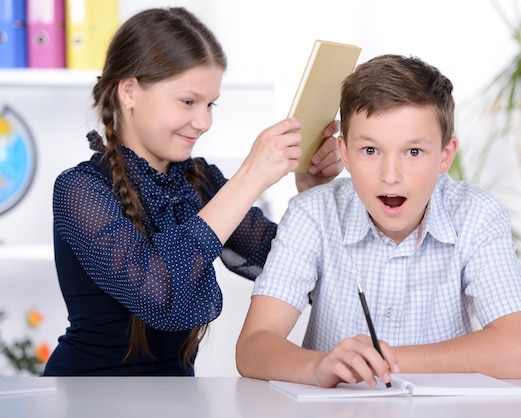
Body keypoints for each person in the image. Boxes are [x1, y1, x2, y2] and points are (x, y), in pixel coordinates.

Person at [42, 7, 342, 376]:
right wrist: (250, 178)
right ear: (129, 92)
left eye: (210, 104)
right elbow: (157, 293)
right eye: (188, 101)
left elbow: (287, 261)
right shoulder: (80, 189)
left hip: (180, 399)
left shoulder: (199, 180)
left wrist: (310, 194)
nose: (204, 122)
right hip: (86, 398)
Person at [236, 54, 521, 388]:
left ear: (445, 155)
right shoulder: (313, 214)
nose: (390, 176)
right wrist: (320, 366)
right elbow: (253, 347)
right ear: (345, 153)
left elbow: (517, 350)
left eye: (413, 152)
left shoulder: (478, 215)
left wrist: (376, 360)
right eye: (370, 150)